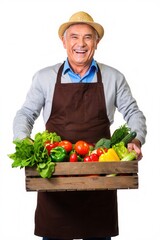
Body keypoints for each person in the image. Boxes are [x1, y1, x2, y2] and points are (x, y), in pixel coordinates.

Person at [13, 11, 147, 240]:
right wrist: (23, 138)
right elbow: (25, 114)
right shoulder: (44, 78)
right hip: (55, 179)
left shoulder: (114, 77)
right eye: (74, 37)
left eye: (88, 37)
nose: (81, 44)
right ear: (64, 42)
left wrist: (135, 140)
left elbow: (134, 114)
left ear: (97, 42)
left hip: (100, 181)